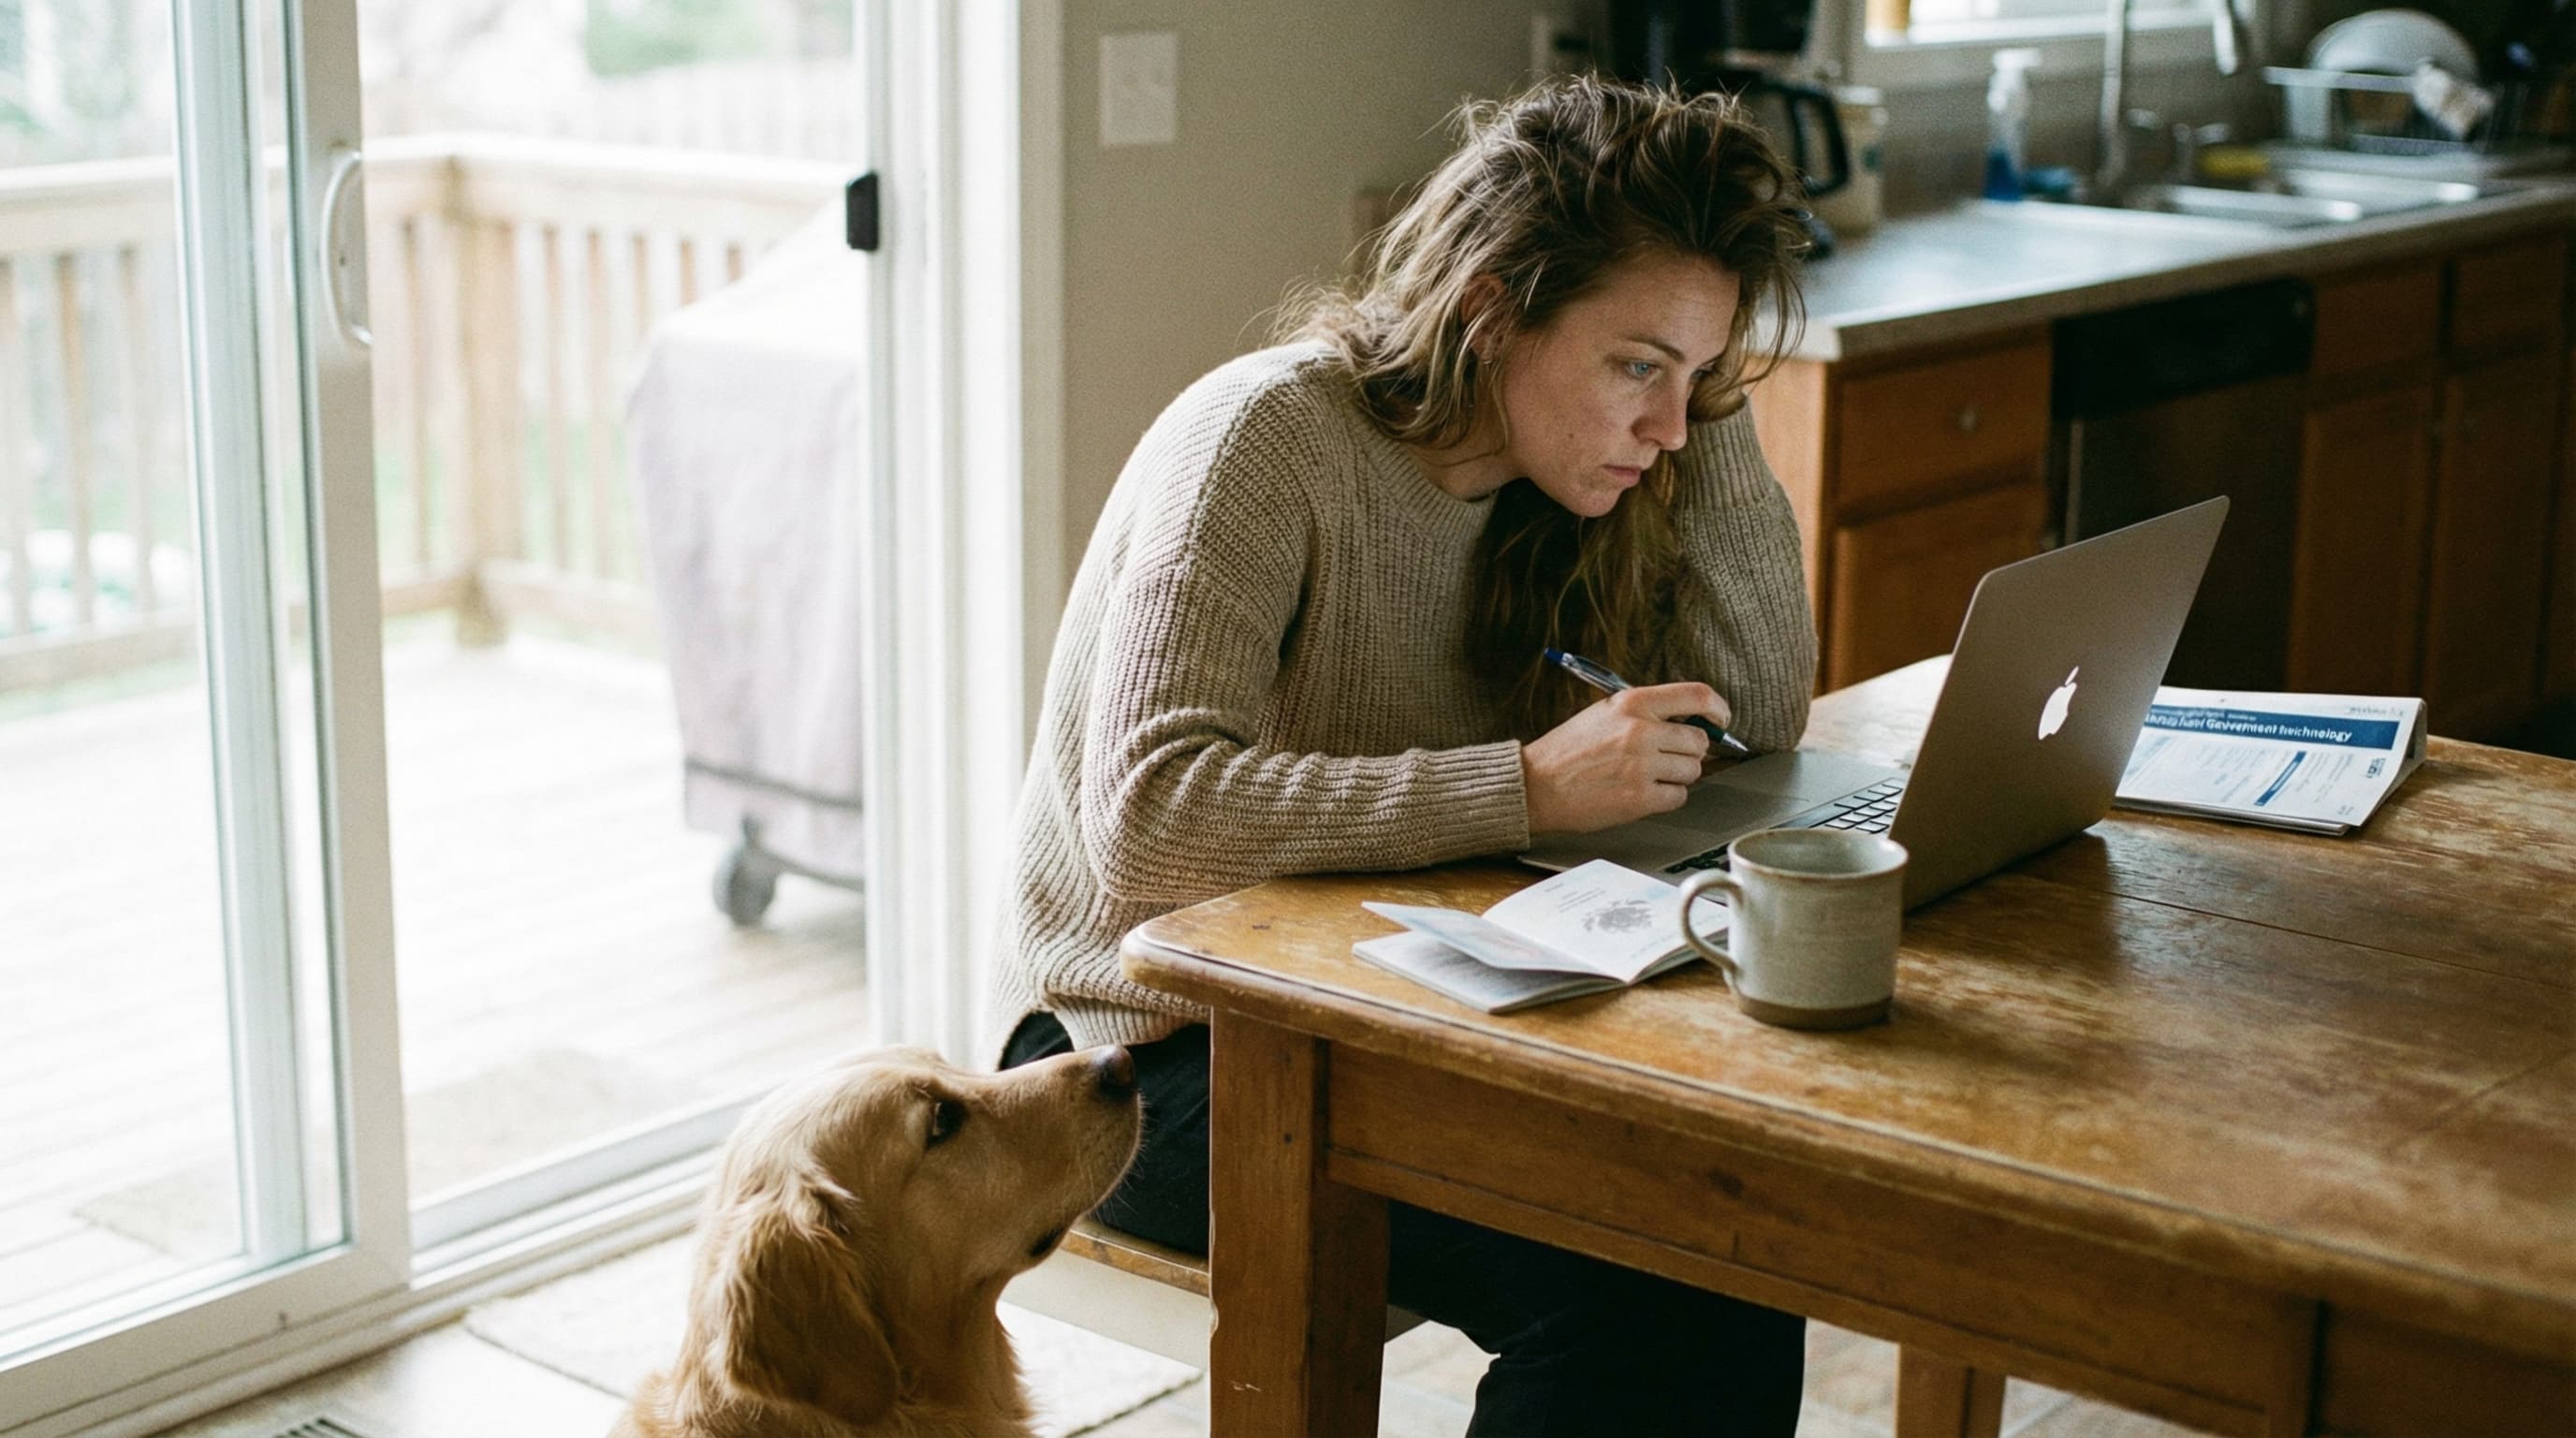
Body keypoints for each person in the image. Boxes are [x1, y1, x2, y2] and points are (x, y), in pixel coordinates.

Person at [993, 74, 1818, 1436]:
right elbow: (1148, 818)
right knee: (1653, 1293)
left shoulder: (1578, 483)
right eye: (1635, 365)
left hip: (1397, 1007)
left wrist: (1699, 403)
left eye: (1698, 378)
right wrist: (1526, 788)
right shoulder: (1264, 440)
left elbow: (1760, 722)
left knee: (1733, 1233)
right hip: (1153, 1055)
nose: (1665, 427)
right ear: (1494, 311)